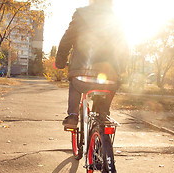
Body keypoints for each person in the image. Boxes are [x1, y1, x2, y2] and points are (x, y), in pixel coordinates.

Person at [55, 0, 128, 128]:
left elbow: (67, 39)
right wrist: (121, 69)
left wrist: (60, 61)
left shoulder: (81, 14)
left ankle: (73, 116)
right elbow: (124, 47)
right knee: (102, 112)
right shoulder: (116, 19)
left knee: (75, 83)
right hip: (110, 78)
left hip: (82, 74)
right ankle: (102, 114)